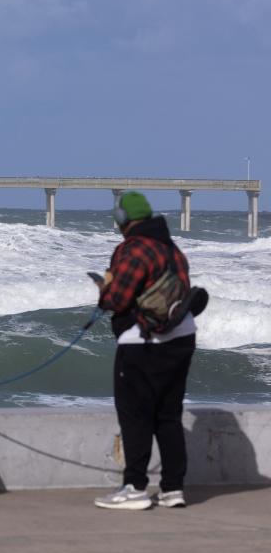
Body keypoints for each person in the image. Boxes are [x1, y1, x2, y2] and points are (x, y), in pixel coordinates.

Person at [93, 191, 196, 510]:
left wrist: (104, 289)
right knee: (168, 415)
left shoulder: (133, 249)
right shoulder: (172, 249)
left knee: (135, 415)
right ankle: (173, 488)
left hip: (141, 342)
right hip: (181, 339)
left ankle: (135, 487)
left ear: (123, 219)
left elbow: (118, 300)